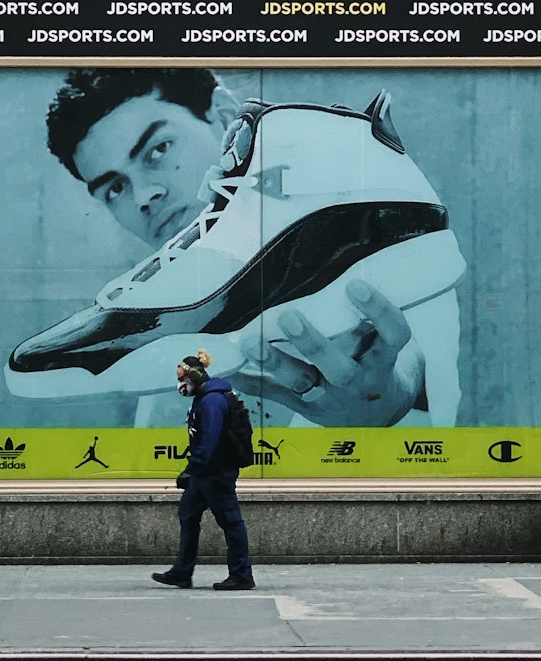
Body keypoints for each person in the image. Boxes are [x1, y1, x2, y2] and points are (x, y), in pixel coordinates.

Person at [27, 67, 462, 429]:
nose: (143, 195)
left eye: (159, 149)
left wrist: (388, 399)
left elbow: (414, 359)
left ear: (224, 116)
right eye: (115, 187)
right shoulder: (166, 368)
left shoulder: (366, 265)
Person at [151, 349, 255, 591]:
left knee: (231, 522)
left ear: (194, 377)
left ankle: (241, 575)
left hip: (216, 471)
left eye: (182, 380)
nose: (180, 386)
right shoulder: (206, 397)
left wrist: (191, 469)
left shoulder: (212, 401)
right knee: (188, 515)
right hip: (205, 472)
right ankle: (181, 572)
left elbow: (209, 440)